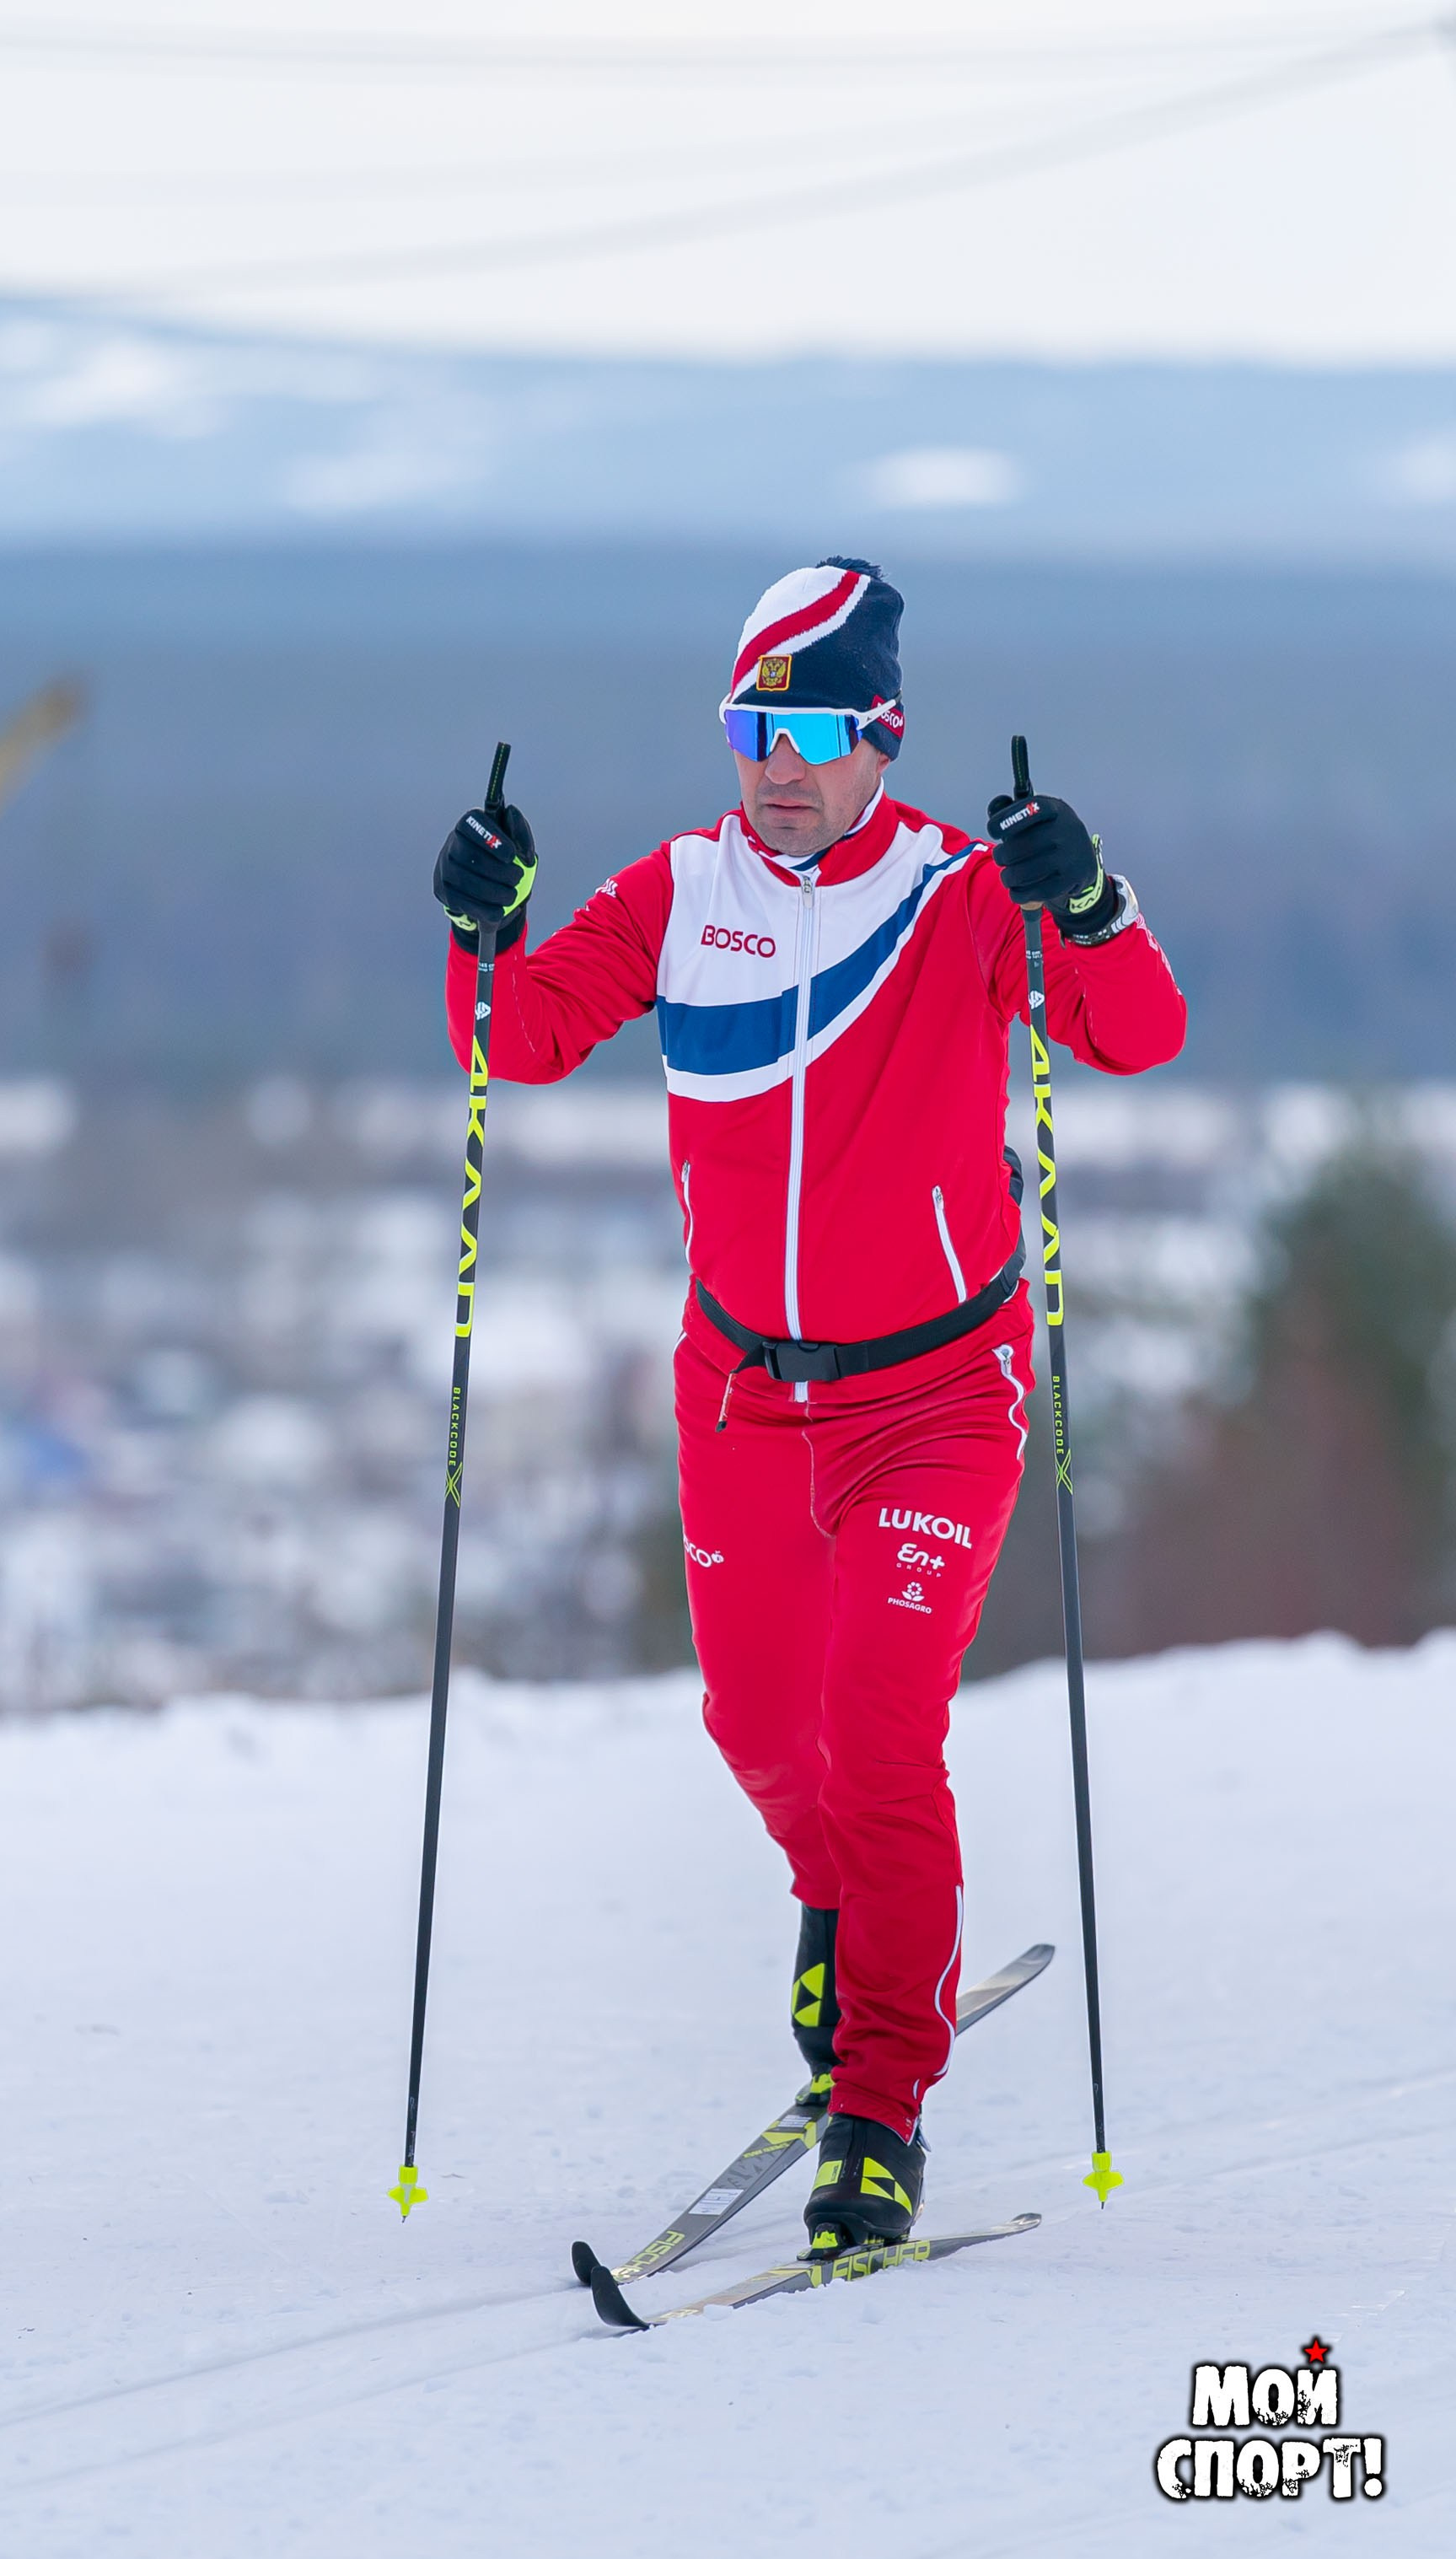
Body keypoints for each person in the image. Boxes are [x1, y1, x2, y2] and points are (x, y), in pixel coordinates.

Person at [434, 557, 1185, 2253]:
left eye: (807, 729)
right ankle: (834, 1899)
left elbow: (1136, 1034)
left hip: (934, 1392)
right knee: (761, 1728)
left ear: (881, 736)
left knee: (876, 1726)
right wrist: (483, 924)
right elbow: (522, 1040)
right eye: (745, 727)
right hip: (739, 1389)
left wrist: (1087, 904)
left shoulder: (957, 890)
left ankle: (878, 2106)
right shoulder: (680, 887)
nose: (771, 764)